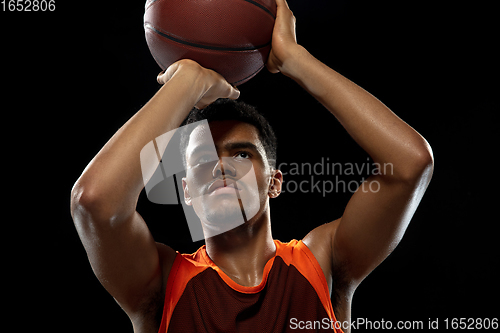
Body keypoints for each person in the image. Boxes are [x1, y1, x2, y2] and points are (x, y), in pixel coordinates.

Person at [70, 0, 434, 332]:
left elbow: (410, 164)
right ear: (187, 192)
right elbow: (94, 202)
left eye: (242, 154)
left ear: (274, 183)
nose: (220, 167)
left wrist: (296, 60)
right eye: (202, 160)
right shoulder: (161, 284)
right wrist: (185, 83)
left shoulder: (323, 263)